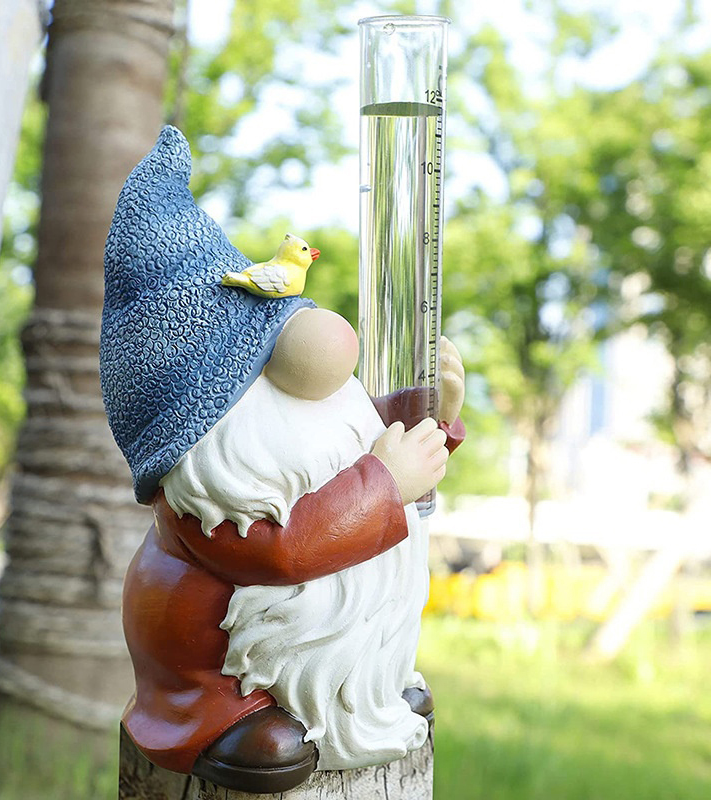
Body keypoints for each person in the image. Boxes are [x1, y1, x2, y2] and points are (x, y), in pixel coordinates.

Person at [101, 127, 465, 794]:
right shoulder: (216, 503)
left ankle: (365, 694)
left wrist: (429, 414)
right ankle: (218, 721)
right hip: (216, 674)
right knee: (243, 721)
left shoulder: (285, 430)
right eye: (262, 355)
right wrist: (387, 485)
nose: (308, 353)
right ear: (204, 407)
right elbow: (288, 551)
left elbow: (351, 439)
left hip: (322, 651)